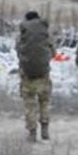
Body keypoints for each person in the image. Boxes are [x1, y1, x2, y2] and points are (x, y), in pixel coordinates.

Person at [16, 11, 56, 142]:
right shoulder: (46, 34)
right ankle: (45, 130)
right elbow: (53, 53)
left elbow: (18, 51)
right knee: (44, 102)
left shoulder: (22, 34)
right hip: (43, 74)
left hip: (26, 74)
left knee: (29, 104)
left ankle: (32, 133)